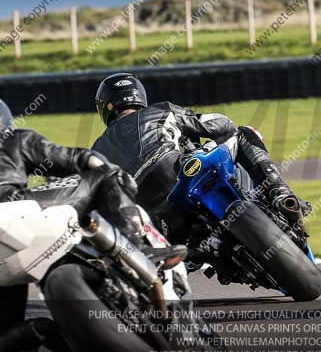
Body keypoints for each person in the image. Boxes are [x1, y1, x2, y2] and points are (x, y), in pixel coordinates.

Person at [0, 92, 166, 352]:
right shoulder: (11, 139)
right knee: (104, 176)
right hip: (13, 208)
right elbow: (79, 160)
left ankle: (41, 330)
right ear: (1, 121)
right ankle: (138, 245)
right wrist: (116, 175)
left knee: (1, 346)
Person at [90, 73, 305, 243]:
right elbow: (215, 124)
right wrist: (222, 129)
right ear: (139, 95)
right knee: (244, 134)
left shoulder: (96, 150)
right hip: (178, 173)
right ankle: (280, 193)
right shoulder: (160, 111)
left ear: (104, 106)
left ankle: (194, 254)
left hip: (155, 215)